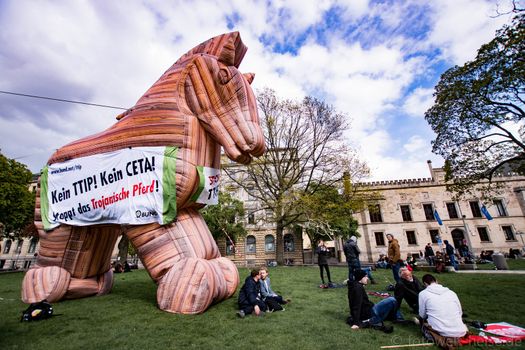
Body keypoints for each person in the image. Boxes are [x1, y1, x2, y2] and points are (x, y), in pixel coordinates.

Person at [417, 274, 468, 349]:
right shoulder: (451, 292)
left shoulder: (423, 294)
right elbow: (460, 312)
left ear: (425, 284)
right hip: (460, 331)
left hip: (440, 331)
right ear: (436, 281)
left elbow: (422, 315)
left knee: (424, 325)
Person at [347, 269, 399, 333]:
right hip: (369, 312)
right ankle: (398, 319)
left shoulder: (356, 285)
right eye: (365, 276)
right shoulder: (358, 288)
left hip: (369, 309)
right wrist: (356, 323)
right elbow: (356, 305)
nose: (367, 278)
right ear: (361, 278)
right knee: (392, 300)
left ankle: (396, 318)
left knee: (390, 303)